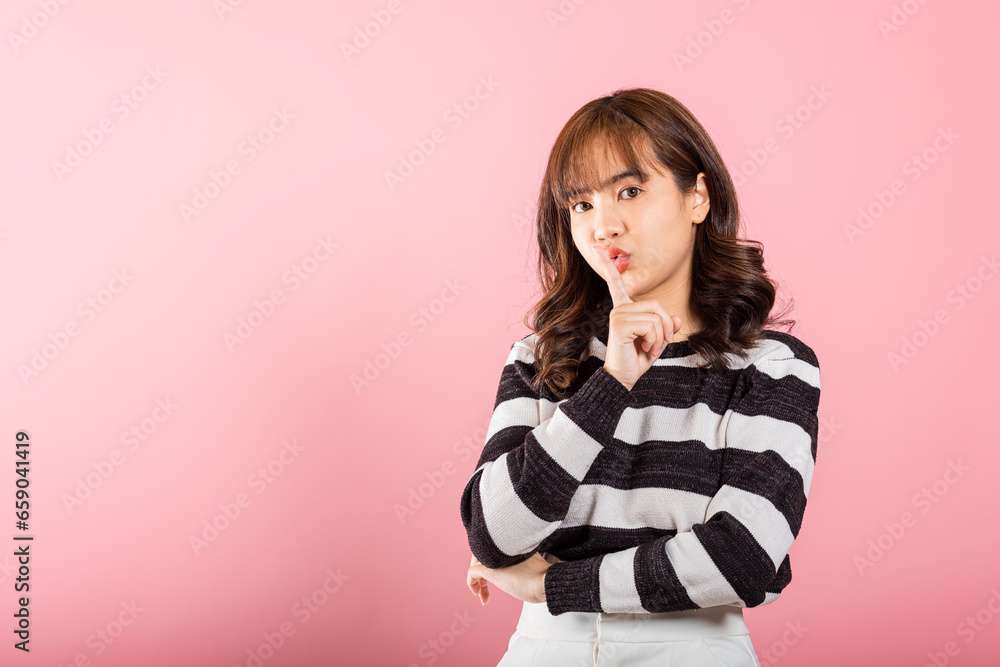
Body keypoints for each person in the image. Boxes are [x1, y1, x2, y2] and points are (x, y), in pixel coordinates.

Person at [459, 87, 821, 667]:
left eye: (630, 191)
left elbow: (741, 558)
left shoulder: (770, 367)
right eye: (581, 206)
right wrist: (612, 381)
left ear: (697, 197)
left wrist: (550, 585)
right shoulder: (541, 357)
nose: (605, 227)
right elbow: (493, 534)